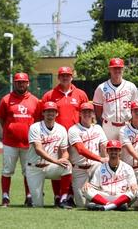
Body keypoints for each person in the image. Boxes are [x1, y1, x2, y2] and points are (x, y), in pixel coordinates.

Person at [41, 66, 88, 205]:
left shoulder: (80, 94)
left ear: (72, 76)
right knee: (58, 165)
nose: (65, 77)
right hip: (56, 135)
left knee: (73, 165)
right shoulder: (49, 95)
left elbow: (86, 114)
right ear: (58, 77)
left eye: (68, 75)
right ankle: (58, 196)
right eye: (62, 75)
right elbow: (41, 115)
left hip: (75, 135)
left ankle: (70, 196)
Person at [0, 72, 39, 207]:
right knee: (7, 170)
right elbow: (2, 119)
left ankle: (29, 196)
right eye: (18, 82)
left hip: (28, 143)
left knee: (28, 172)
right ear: (14, 83)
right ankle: (5, 197)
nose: (21, 84)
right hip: (10, 143)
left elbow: (37, 121)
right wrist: (11, 130)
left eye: (23, 82)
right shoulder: (6, 99)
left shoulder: (35, 101)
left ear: (28, 83)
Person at [26, 101, 73, 208]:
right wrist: (56, 161)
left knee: (67, 166)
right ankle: (36, 196)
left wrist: (64, 159)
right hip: (34, 168)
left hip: (50, 166)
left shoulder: (61, 129)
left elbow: (65, 152)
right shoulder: (35, 127)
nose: (50, 113)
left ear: (57, 113)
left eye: (53, 111)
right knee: (38, 205)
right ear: (43, 113)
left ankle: (63, 199)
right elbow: (38, 149)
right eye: (47, 111)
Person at [67, 102, 108, 208]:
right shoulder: (73, 129)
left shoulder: (98, 128)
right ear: (80, 114)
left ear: (93, 114)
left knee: (100, 197)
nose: (87, 114)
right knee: (82, 204)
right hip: (79, 170)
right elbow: (80, 150)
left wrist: (106, 159)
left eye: (89, 112)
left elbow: (104, 146)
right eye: (84, 112)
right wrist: (100, 158)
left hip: (95, 168)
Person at [93, 58, 138, 140]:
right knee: (109, 150)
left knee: (127, 151)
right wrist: (108, 120)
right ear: (110, 69)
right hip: (109, 127)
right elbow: (98, 109)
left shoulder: (131, 86)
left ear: (123, 69)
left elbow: (137, 106)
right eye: (114, 68)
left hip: (127, 125)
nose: (117, 70)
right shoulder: (101, 88)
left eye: (119, 68)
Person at [84, 140, 138, 211]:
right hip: (105, 196)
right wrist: (88, 185)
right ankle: (114, 206)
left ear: (120, 151)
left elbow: (133, 184)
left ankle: (105, 206)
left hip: (121, 196)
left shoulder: (127, 168)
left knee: (136, 190)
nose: (113, 152)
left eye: (116, 149)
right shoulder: (100, 168)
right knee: (86, 189)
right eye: (111, 149)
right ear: (107, 151)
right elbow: (94, 187)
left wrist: (133, 185)